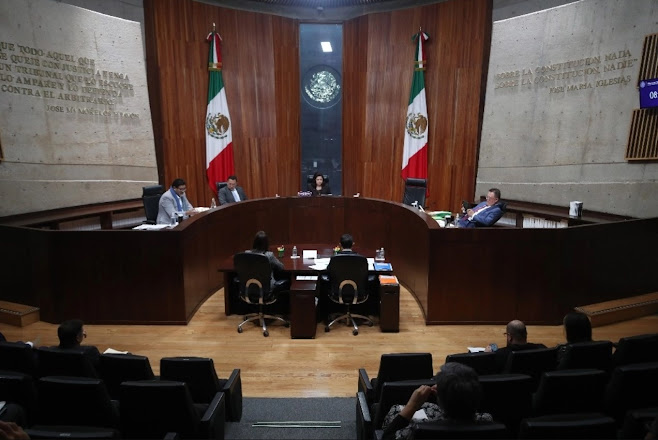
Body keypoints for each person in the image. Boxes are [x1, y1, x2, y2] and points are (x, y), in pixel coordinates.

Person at [382, 362, 493, 440]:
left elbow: (387, 437)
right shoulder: (487, 421)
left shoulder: (419, 429)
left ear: (440, 401)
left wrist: (412, 405)